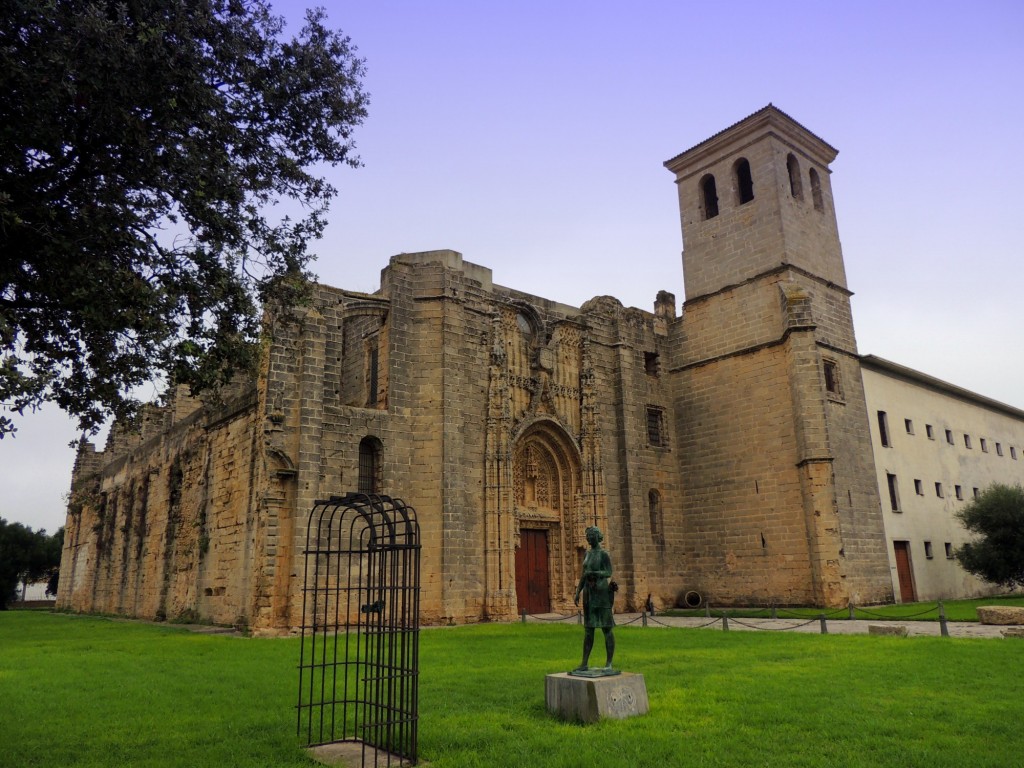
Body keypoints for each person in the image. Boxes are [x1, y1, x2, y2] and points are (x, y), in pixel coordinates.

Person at [573, 526, 615, 672]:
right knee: (589, 629)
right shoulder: (588, 553)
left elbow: (609, 572)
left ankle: (609, 663)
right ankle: (584, 663)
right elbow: (584, 573)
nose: (589, 538)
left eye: (591, 535)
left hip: (601, 592)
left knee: (606, 628)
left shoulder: (604, 554)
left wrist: (595, 573)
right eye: (588, 536)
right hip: (589, 593)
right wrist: (578, 591)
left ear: (598, 536)